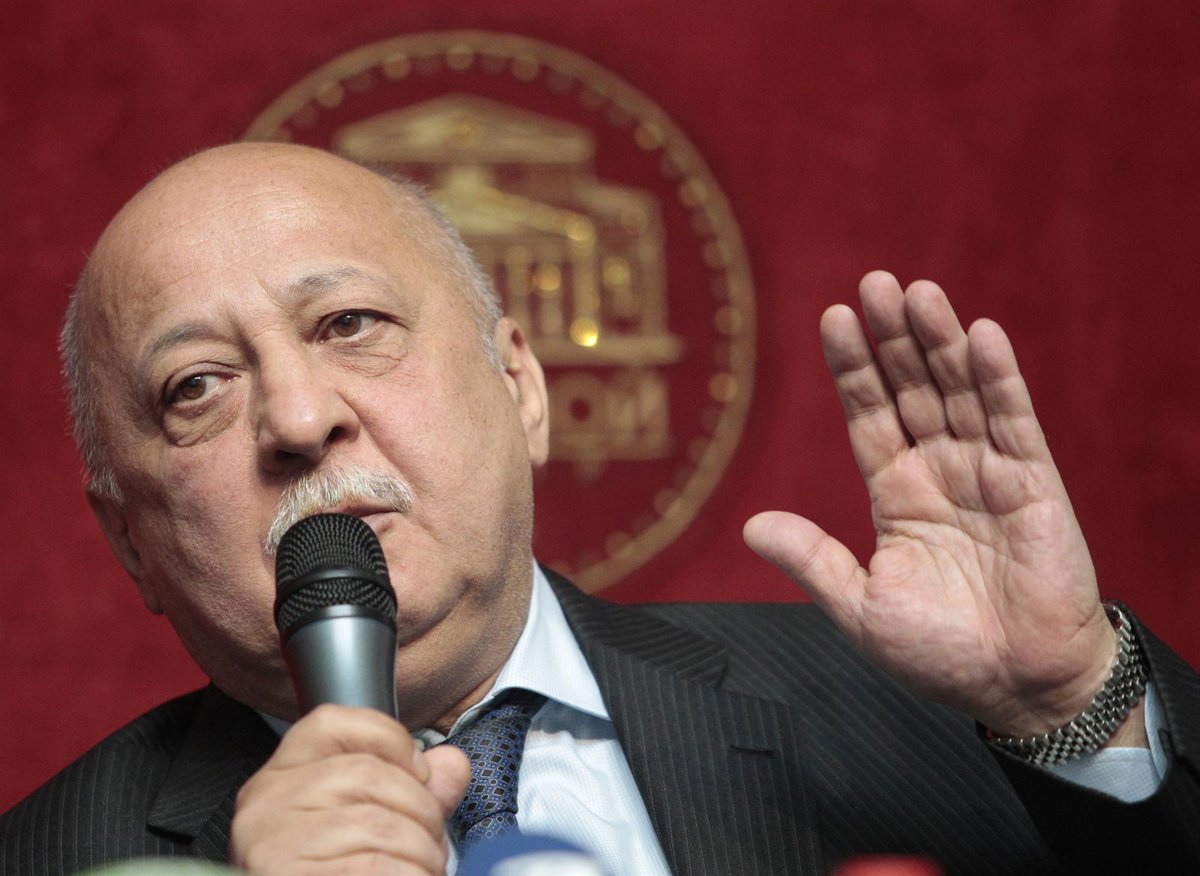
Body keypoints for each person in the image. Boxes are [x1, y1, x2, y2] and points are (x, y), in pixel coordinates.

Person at [1, 142, 1197, 875]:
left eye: (350, 324)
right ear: (131, 545)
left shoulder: (919, 712)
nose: (301, 418)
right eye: (197, 387)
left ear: (520, 387)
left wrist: (1069, 704)